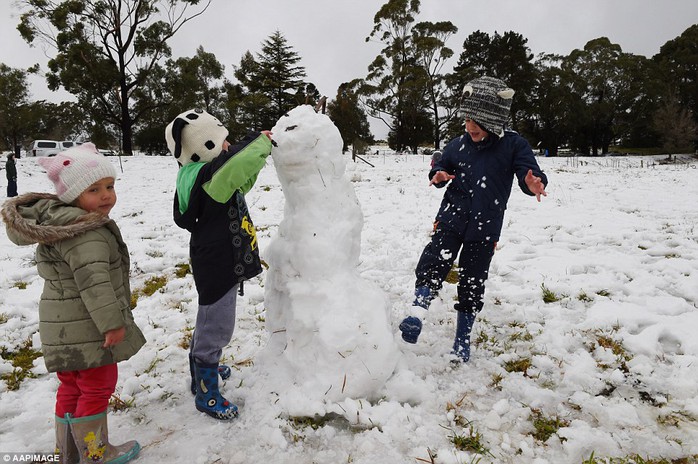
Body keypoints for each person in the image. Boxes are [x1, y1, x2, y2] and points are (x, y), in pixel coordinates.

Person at [1, 143, 146, 464]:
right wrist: (112, 323)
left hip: (64, 330)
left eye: (109, 186)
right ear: (72, 195)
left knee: (71, 387)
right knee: (97, 387)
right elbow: (94, 282)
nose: (106, 195)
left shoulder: (60, 223)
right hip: (89, 329)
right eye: (93, 189)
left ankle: (68, 453)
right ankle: (96, 453)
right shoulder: (86, 233)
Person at [399, 76, 548, 363]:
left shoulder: (514, 146)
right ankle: (417, 312)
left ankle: (462, 338)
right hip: (452, 216)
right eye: (467, 120)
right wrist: (438, 174)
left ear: (494, 119)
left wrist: (533, 183)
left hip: (486, 225)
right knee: (434, 259)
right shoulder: (458, 145)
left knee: (472, 279)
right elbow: (441, 164)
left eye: (477, 122)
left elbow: (528, 171)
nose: (470, 127)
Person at [165, 108, 273, 420]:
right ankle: (206, 391)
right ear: (204, 148)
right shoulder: (212, 177)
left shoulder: (195, 175)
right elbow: (239, 162)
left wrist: (257, 158)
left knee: (208, 318)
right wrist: (261, 141)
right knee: (218, 326)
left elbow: (239, 178)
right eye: (221, 142)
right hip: (220, 262)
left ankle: (200, 370)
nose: (227, 147)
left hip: (210, 258)